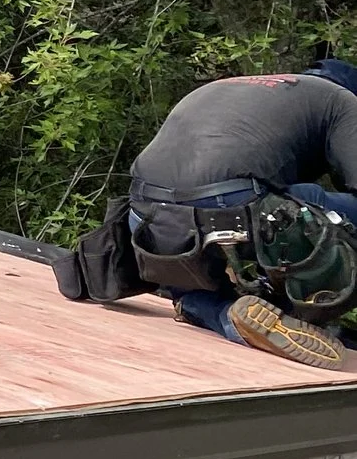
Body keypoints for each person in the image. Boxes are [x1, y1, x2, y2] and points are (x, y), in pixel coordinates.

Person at [124, 61, 357, 368]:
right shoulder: (341, 100)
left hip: (144, 219)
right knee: (312, 204)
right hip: (230, 208)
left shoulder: (230, 87)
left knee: (197, 289)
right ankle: (297, 310)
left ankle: (218, 313)